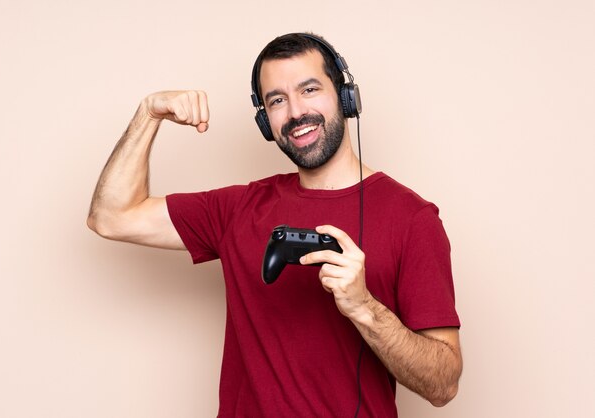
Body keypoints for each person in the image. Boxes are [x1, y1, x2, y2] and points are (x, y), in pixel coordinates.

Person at [87, 32, 462, 417]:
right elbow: (111, 216)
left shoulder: (412, 219)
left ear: (346, 97)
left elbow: (443, 384)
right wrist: (148, 114)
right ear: (265, 120)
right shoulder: (238, 208)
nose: (296, 112)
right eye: (277, 100)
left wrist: (364, 307)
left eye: (310, 89)